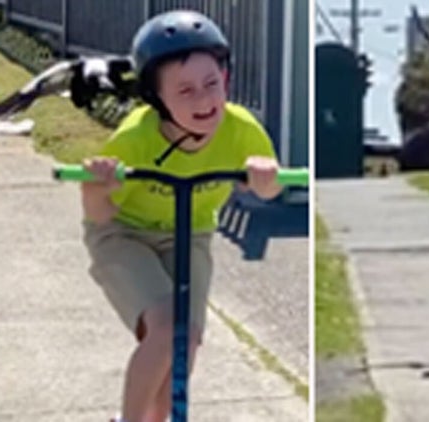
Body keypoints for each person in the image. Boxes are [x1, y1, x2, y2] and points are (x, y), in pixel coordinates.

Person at [79, 10, 280, 422]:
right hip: (124, 234)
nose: (204, 101)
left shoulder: (241, 129)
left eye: (212, 84)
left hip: (192, 235)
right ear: (157, 98)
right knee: (167, 326)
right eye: (185, 91)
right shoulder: (134, 139)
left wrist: (264, 179)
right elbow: (99, 215)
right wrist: (94, 186)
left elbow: (269, 189)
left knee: (185, 340)